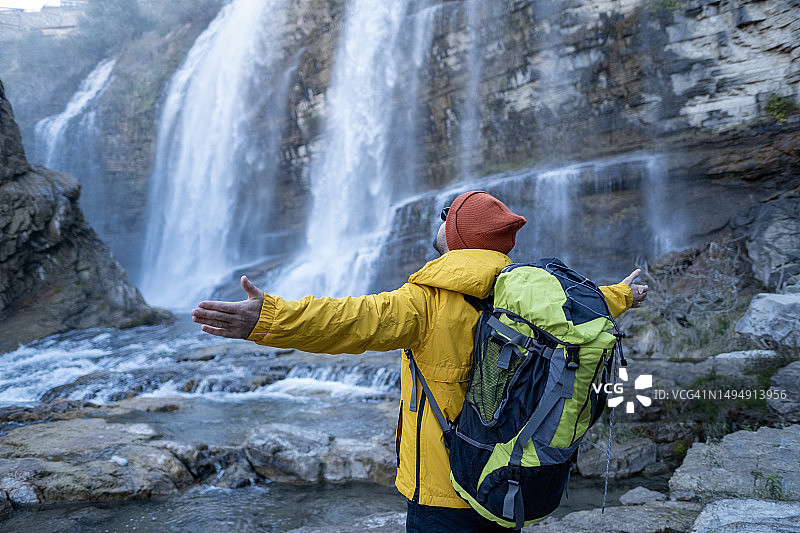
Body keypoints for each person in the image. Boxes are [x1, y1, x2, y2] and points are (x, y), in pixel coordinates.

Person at [191, 191, 648, 533]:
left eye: (445, 217)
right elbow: (587, 304)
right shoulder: (531, 295)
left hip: (443, 489)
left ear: (456, 236)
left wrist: (266, 318)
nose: (439, 221)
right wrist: (625, 294)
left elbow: (350, 320)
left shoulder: (425, 302)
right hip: (507, 479)